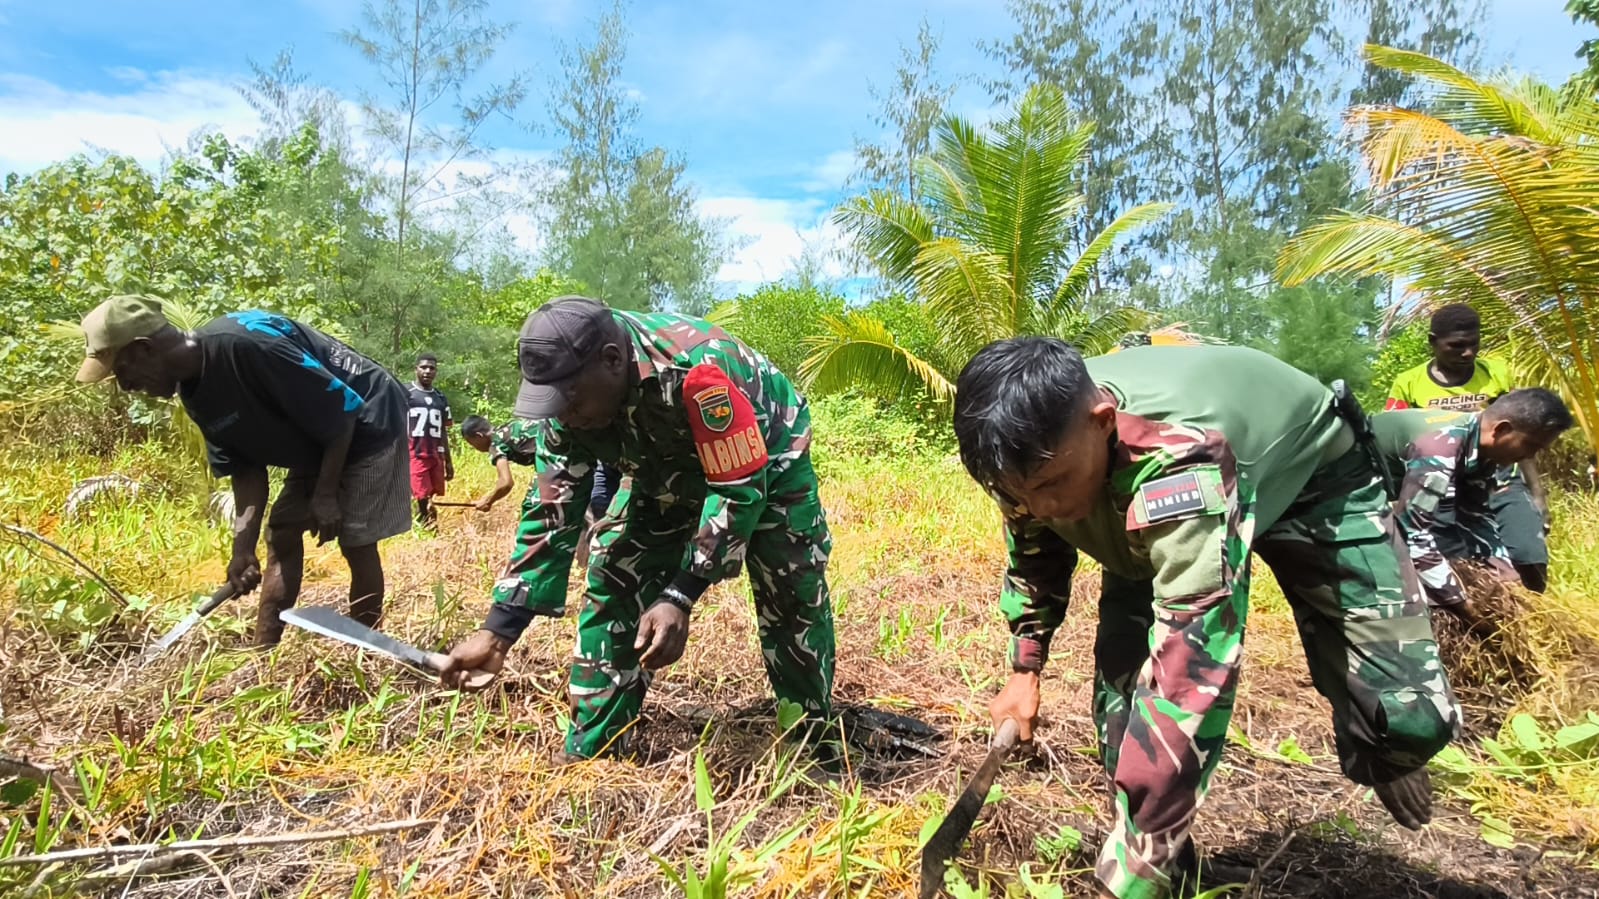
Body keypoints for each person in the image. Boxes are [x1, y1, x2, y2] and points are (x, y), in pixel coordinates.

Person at [953, 337, 1459, 899]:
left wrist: (1122, 884)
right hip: (1136, 516)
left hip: (1311, 478)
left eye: (1050, 486)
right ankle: (1170, 871)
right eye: (1018, 494)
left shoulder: (1181, 464)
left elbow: (1191, 675)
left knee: (1408, 716)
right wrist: (1026, 666)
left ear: (1101, 422)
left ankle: (1388, 752)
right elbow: (1034, 554)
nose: (1041, 508)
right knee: (1125, 734)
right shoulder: (1025, 452)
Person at [437, 297, 836, 765]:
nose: (563, 416)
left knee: (789, 588)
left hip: (766, 456)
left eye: (570, 401)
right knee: (614, 575)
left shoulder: (700, 371)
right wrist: (498, 631)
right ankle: (596, 750)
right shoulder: (567, 400)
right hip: (655, 466)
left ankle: (814, 745)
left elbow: (738, 489)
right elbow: (551, 512)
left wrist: (680, 594)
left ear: (612, 360)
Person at [74, 295, 410, 646]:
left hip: (370, 419)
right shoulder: (195, 396)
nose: (127, 387)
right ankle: (263, 651)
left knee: (355, 539)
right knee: (280, 534)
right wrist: (242, 550)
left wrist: (326, 495)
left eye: (122, 372)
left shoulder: (248, 347)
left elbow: (342, 412)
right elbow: (246, 469)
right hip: (319, 436)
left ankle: (365, 650)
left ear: (144, 349)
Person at [1385, 304, 1552, 591]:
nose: (1468, 353)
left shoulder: (1496, 375)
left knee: (1528, 553)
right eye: (1457, 346)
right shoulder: (1408, 384)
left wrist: (1537, 494)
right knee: (1455, 561)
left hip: (1499, 479)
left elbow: (1522, 438)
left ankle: (1536, 617)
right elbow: (1396, 441)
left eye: (1474, 344)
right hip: (1441, 486)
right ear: (1432, 342)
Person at [1373, 389, 1574, 621]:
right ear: (1501, 430)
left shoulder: (1482, 447)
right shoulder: (1441, 449)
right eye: (1530, 445)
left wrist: (1508, 576)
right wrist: (1462, 602)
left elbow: (1476, 516)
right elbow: (1414, 533)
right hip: (1333, 490)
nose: (1529, 455)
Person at [406, 353, 454, 529]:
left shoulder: (440, 398)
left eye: (431, 368)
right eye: (423, 367)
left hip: (435, 453)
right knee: (420, 493)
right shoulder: (406, 393)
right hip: (414, 452)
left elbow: (443, 430)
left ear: (436, 371)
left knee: (432, 492)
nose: (427, 371)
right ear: (416, 369)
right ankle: (426, 526)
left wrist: (448, 461)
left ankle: (428, 523)